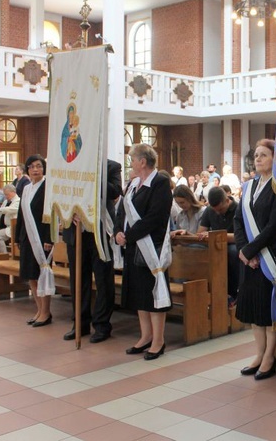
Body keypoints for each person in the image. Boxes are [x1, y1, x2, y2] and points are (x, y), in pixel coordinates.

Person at [234, 139, 276, 381]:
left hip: (271, 254)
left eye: (263, 155)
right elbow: (238, 220)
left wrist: (252, 251)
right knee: (254, 308)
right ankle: (258, 354)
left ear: (275, 159)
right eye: (256, 155)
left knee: (268, 307)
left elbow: (274, 225)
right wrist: (244, 251)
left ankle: (270, 357)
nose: (257, 159)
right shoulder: (249, 186)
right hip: (250, 257)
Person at [115, 144, 172, 360]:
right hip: (133, 248)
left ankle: (158, 340)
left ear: (142, 161)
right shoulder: (132, 184)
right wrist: (119, 232)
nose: (130, 162)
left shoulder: (160, 183)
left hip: (152, 249)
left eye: (132, 158)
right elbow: (121, 212)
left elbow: (155, 217)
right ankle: (145, 336)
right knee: (140, 294)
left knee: (153, 293)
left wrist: (129, 235)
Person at [62, 159, 123, 344]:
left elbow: (115, 192)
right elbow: (61, 193)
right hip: (76, 231)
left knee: (104, 280)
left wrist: (95, 173)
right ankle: (80, 323)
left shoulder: (111, 166)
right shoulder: (70, 164)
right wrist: (68, 212)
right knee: (79, 280)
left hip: (100, 231)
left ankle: (102, 324)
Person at [15, 155, 53, 328]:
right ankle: (38, 310)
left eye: (38, 166)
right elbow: (21, 214)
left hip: (41, 239)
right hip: (26, 237)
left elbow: (51, 216)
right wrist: (17, 237)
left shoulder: (48, 188)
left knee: (41, 275)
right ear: (27, 170)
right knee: (31, 275)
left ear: (43, 168)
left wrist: (49, 238)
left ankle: (46, 312)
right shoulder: (27, 189)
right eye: (31, 167)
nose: (35, 169)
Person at [197, 186, 240, 303]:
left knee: (232, 252)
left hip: (233, 245)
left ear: (227, 200)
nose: (217, 212)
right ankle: (203, 291)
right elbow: (200, 232)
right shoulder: (210, 209)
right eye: (214, 209)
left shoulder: (239, 209)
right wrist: (206, 235)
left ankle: (233, 292)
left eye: (220, 210)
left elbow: (240, 236)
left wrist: (215, 235)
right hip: (215, 244)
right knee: (196, 249)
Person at [0, 184, 20, 254]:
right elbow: (0, 213)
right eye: (5, 195)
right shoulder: (6, 201)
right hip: (1, 226)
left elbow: (8, 210)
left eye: (7, 194)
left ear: (13, 192)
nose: (6, 196)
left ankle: (4, 254)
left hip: (11, 227)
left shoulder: (18, 201)